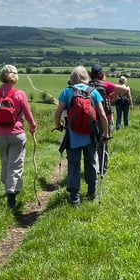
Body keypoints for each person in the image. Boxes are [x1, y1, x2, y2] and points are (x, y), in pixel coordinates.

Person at [54, 66, 109, 206]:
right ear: (86, 77)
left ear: (72, 78)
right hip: (91, 135)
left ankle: (75, 197)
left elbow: (57, 113)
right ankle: (92, 192)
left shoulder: (67, 92)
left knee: (74, 165)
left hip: (73, 136)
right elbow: (102, 115)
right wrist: (105, 133)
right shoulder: (93, 92)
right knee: (91, 162)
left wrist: (58, 125)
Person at [0, 64, 37, 209]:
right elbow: (28, 114)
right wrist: (33, 126)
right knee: (15, 164)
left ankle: (8, 184)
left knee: (5, 162)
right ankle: (11, 196)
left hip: (0, 136)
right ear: (14, 77)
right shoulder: (19, 94)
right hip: (17, 134)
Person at [88, 65, 129, 176]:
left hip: (90, 118)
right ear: (101, 74)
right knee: (104, 143)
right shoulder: (105, 85)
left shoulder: (87, 85)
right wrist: (111, 95)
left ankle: (92, 168)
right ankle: (102, 169)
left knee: (92, 144)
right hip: (106, 117)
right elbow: (125, 89)